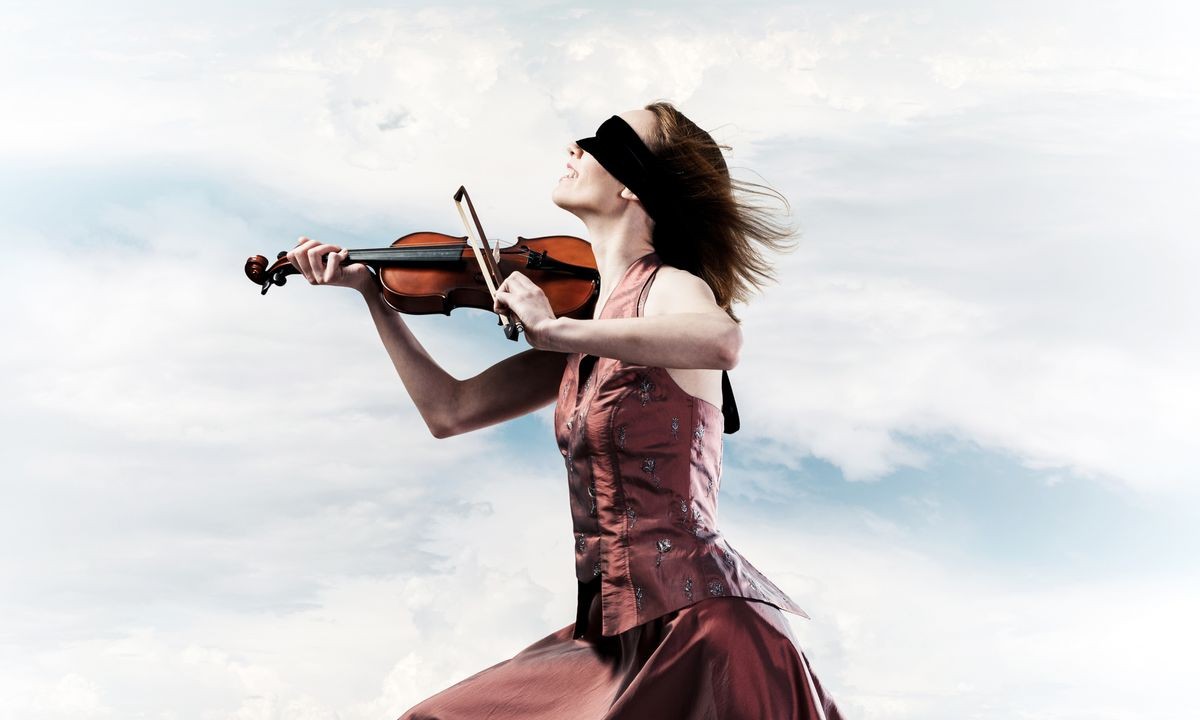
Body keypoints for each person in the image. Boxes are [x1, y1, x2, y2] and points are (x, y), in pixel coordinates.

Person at [287, 101, 844, 720]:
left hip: (701, 628)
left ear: (633, 183)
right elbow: (450, 410)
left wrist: (556, 332)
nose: (575, 148)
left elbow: (722, 341)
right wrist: (373, 294)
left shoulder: (666, 289)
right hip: (610, 640)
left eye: (601, 140)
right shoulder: (591, 330)